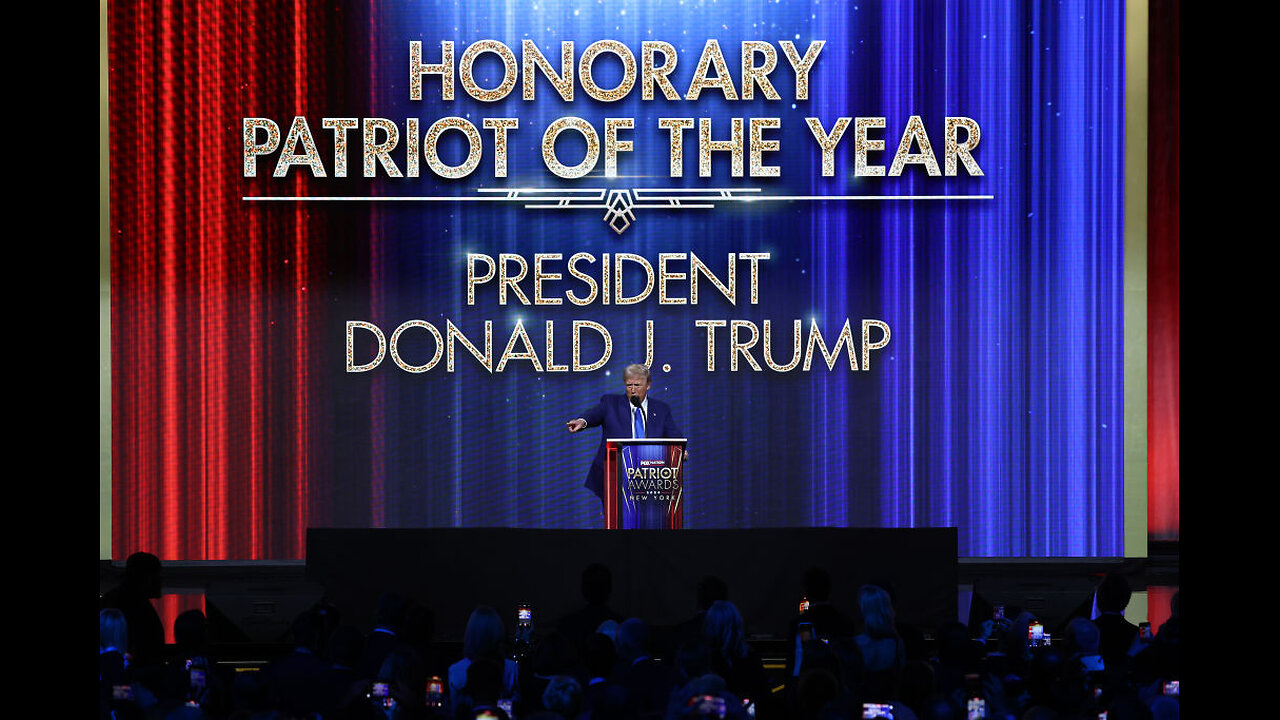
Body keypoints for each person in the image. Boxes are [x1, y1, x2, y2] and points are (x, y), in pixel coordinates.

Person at [566, 363, 685, 503]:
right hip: (614, 474)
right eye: (629, 385)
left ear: (648, 385)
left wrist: (681, 451)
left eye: (637, 385)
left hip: (651, 476)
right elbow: (594, 414)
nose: (633, 390)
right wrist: (582, 421)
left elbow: (674, 434)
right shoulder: (611, 403)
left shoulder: (661, 409)